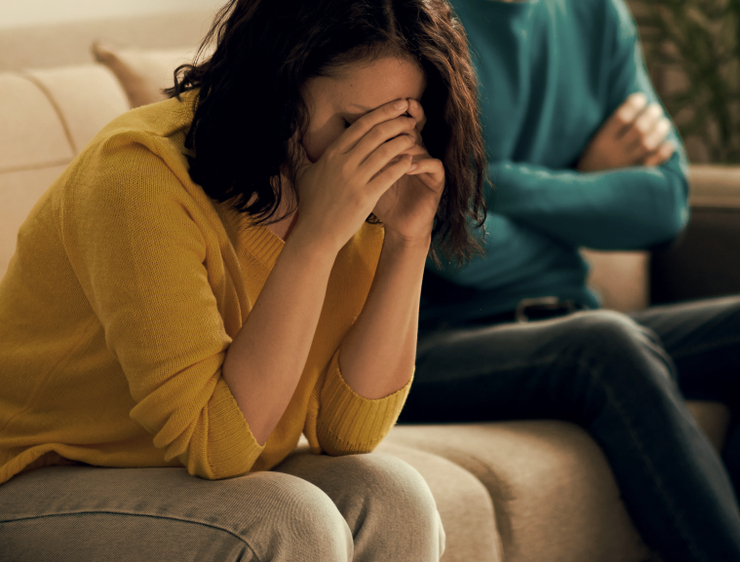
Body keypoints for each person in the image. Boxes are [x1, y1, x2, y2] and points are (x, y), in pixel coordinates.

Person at [0, 0, 487, 559]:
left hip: (173, 476)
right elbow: (217, 445)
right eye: (354, 125)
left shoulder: (356, 184)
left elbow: (347, 432)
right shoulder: (136, 173)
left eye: (397, 128)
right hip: (34, 478)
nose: (375, 155)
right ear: (278, 91)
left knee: (394, 497)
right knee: (285, 521)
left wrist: (407, 239)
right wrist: (315, 239)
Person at [399, 0, 740, 561]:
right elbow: (443, 243)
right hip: (428, 343)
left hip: (566, 320)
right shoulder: (412, 21)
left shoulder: (596, 15)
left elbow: (664, 206)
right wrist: (584, 194)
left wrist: (497, 184)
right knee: (606, 343)